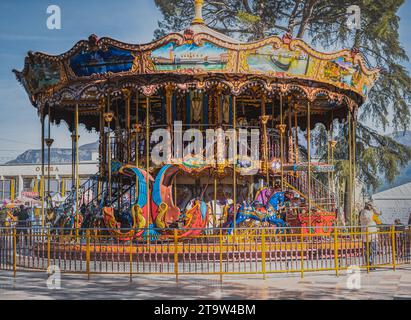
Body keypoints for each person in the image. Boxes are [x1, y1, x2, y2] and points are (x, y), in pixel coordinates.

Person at [359, 202, 379, 270]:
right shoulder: (364, 212)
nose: (371, 206)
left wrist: (373, 209)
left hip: (372, 234)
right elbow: (369, 219)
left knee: (372, 250)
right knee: (370, 250)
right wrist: (374, 212)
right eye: (370, 205)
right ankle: (369, 263)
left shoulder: (370, 212)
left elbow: (378, 213)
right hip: (368, 234)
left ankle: (370, 263)